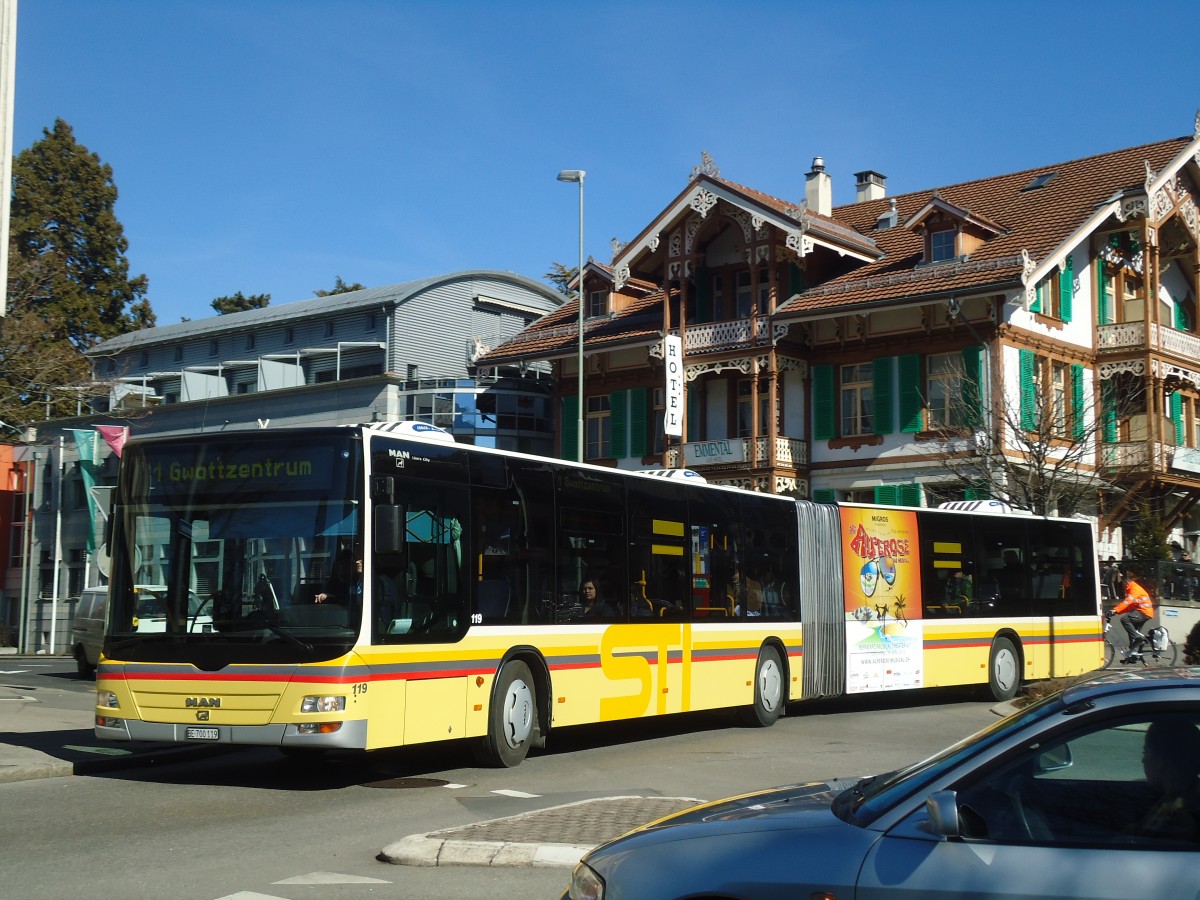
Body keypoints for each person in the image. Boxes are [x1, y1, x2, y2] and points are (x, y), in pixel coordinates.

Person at [1136, 719, 1200, 841]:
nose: (1143, 760)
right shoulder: (1178, 796)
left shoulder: (1181, 814)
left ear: (1160, 762)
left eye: (1145, 752)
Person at [1109, 572, 1154, 658]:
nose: (1123, 587)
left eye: (1123, 585)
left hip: (1144, 612)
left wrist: (1115, 609)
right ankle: (1132, 656)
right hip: (1144, 612)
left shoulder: (1134, 589)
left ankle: (1138, 639)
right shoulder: (1133, 588)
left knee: (1125, 619)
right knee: (1133, 632)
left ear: (1126, 583)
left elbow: (1127, 602)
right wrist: (1117, 612)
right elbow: (1130, 606)